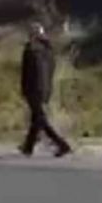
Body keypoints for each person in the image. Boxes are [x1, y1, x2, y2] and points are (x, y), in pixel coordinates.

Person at [18, 22, 72, 158]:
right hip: (46, 88)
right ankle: (28, 146)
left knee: (41, 120)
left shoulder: (30, 51)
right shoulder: (49, 51)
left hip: (33, 89)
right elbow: (50, 71)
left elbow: (27, 73)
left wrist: (24, 90)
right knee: (36, 118)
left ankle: (62, 144)